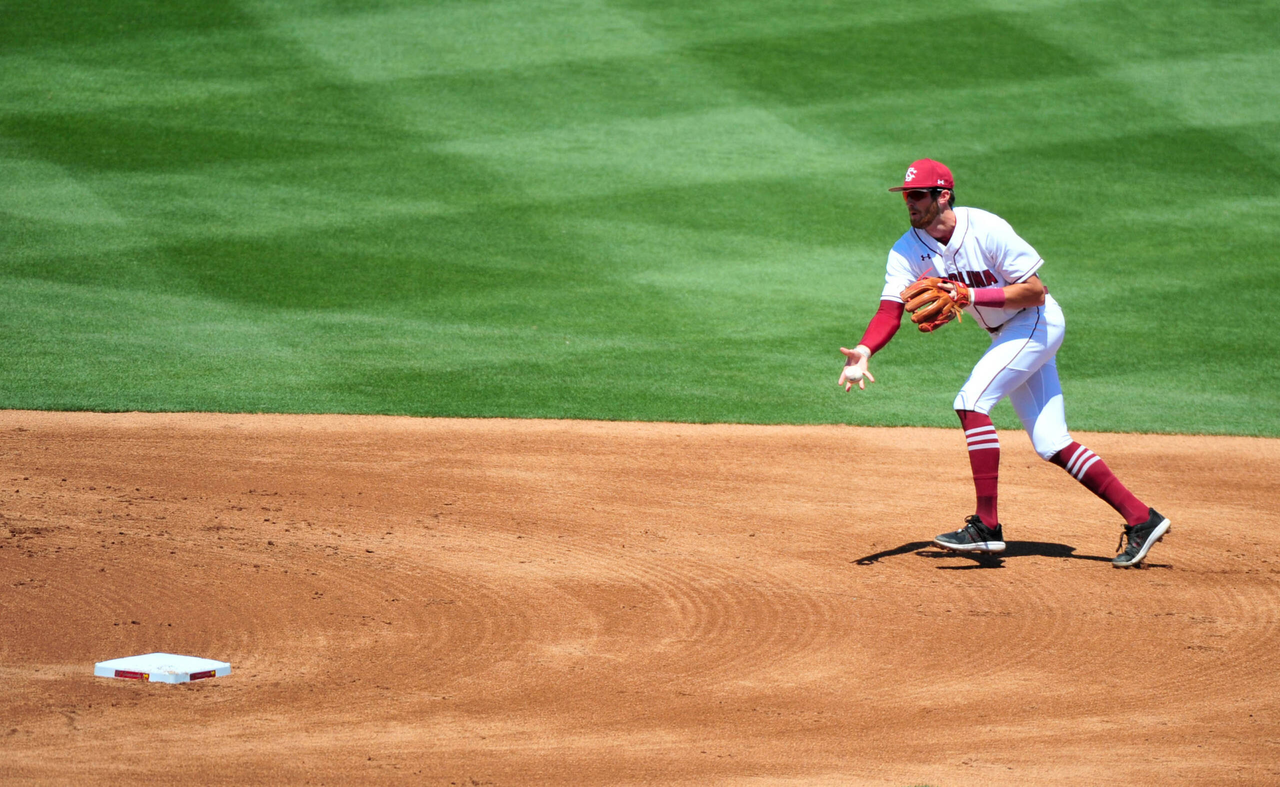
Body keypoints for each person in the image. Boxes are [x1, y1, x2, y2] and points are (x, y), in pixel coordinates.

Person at [838, 159, 1170, 568]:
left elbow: (1034, 291)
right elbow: (890, 310)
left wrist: (970, 297)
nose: (910, 203)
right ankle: (1142, 518)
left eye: (918, 195)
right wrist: (866, 349)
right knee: (1052, 441)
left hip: (1037, 322)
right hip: (1008, 333)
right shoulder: (906, 249)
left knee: (970, 402)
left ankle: (986, 527)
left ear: (943, 195)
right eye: (907, 195)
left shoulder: (985, 228)